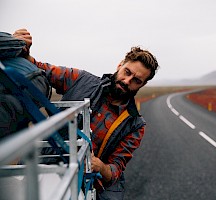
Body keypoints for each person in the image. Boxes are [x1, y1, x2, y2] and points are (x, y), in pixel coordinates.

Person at [13, 29, 159, 200]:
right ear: (120, 65)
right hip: (41, 166)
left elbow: (117, 167)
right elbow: (41, 69)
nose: (127, 81)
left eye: (136, 80)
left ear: (142, 85)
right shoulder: (81, 80)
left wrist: (102, 167)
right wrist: (22, 50)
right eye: (127, 72)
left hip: (81, 185)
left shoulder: (135, 125)